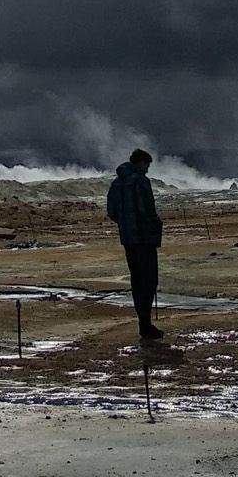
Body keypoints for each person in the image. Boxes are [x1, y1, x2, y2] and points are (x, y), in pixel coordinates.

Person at [107, 146, 163, 341]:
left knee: (137, 281)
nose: (147, 169)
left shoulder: (116, 184)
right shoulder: (140, 182)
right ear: (140, 163)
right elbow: (147, 210)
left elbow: (112, 212)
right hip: (145, 241)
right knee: (149, 281)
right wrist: (155, 226)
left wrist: (125, 225)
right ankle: (146, 326)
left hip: (128, 241)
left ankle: (144, 323)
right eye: (147, 165)